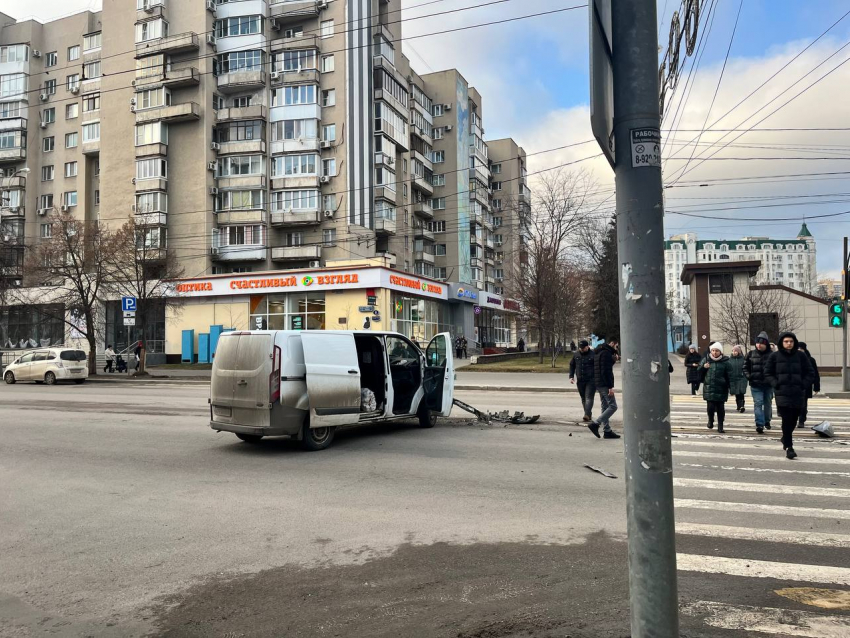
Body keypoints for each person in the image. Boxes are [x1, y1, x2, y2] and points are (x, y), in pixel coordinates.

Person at [765, 332, 814, 459]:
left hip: (798, 392)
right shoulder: (774, 356)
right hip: (782, 392)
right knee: (786, 419)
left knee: (794, 419)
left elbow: (810, 372)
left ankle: (785, 438)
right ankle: (789, 447)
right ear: (782, 342)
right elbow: (768, 373)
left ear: (794, 342)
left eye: (791, 341)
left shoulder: (801, 356)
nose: (789, 344)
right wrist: (776, 384)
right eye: (786, 341)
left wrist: (803, 384)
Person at [588, 336, 620, 439]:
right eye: (617, 346)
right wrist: (610, 386)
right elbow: (606, 371)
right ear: (612, 343)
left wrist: (613, 360)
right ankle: (595, 424)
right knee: (613, 406)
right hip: (604, 384)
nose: (617, 348)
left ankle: (607, 431)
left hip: (599, 382)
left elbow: (604, 367)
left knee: (605, 406)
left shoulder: (600, 351)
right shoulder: (606, 353)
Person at [744, 331, 774, 434]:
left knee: (767, 404)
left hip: (768, 385)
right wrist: (749, 376)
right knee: (758, 403)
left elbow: (776, 369)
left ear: (766, 344)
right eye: (757, 343)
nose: (759, 345)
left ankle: (767, 421)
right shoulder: (751, 354)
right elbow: (745, 367)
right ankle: (759, 424)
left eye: (761, 343)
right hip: (755, 384)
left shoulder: (772, 355)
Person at [700, 342, 732, 433]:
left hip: (721, 388)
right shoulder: (706, 360)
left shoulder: (726, 362)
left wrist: (731, 388)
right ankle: (710, 420)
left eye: (717, 351)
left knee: (720, 409)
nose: (714, 352)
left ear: (720, 352)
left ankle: (720, 426)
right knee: (710, 407)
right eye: (713, 350)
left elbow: (730, 376)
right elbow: (699, 371)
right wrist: (703, 367)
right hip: (709, 388)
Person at [569, 340, 595, 422]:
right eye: (580, 348)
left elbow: (598, 366)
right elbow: (572, 365)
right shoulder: (576, 354)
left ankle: (586, 414)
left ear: (587, 347)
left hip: (591, 380)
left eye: (583, 348)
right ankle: (588, 414)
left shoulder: (593, 355)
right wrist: (571, 376)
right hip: (580, 380)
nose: (582, 349)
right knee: (583, 397)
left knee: (589, 397)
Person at [797, 342, 820, 429]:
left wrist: (816, 386)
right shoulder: (792, 359)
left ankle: (801, 420)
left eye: (801, 349)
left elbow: (815, 374)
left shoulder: (810, 360)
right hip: (794, 385)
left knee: (803, 404)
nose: (799, 350)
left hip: (805, 385)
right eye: (797, 348)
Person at [729, 345, 748, 413]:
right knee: (736, 393)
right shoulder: (730, 360)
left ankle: (742, 406)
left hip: (742, 378)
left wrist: (745, 376)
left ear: (739, 352)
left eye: (736, 351)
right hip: (733, 379)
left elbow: (746, 368)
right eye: (733, 351)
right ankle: (739, 406)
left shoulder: (743, 359)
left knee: (741, 392)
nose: (734, 352)